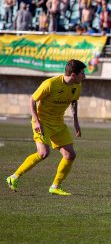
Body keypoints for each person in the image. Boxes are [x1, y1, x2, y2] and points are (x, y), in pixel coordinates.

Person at [6, 60, 87, 196]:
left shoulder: (77, 86)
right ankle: (13, 177)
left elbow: (74, 102)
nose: (84, 76)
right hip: (42, 122)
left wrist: (76, 122)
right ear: (73, 75)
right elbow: (32, 100)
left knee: (70, 155)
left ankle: (55, 186)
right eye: (82, 73)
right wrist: (36, 121)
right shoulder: (50, 84)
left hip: (59, 124)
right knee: (43, 153)